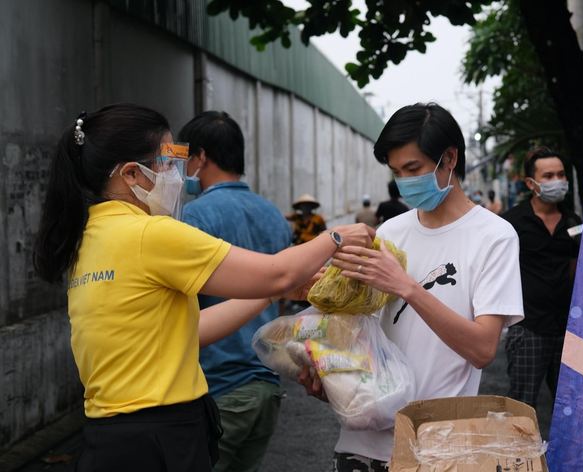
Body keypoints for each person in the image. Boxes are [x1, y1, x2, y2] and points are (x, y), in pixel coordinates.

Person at [32, 103, 374, 472]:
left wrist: (272, 294)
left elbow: (186, 332)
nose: (176, 175)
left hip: (111, 438)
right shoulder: (150, 234)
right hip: (163, 435)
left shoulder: (90, 239)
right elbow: (279, 271)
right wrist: (336, 237)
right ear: (131, 173)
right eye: (168, 161)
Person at [299, 103, 525, 472]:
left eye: (414, 169)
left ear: (449, 158)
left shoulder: (495, 236)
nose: (404, 181)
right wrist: (329, 374)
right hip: (362, 439)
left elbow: (483, 349)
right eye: (396, 172)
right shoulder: (391, 232)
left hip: (437, 447)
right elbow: (365, 335)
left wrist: (407, 287)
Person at [178, 110, 292, 472]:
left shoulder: (194, 217)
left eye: (183, 157)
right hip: (267, 385)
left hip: (218, 387)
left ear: (201, 157)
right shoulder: (273, 213)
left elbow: (180, 307)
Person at [501, 146, 582, 412]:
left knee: (570, 406)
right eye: (548, 176)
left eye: (560, 174)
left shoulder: (574, 221)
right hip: (528, 328)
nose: (557, 181)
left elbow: (574, 268)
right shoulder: (511, 223)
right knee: (522, 406)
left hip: (567, 330)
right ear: (531, 183)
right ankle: (518, 455)